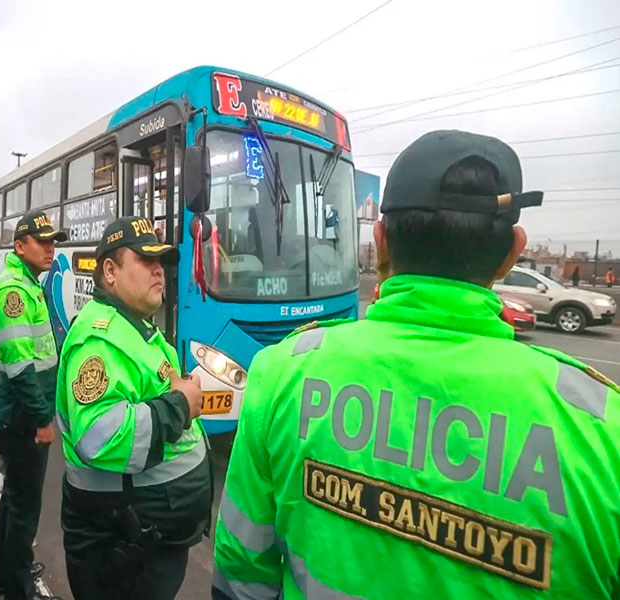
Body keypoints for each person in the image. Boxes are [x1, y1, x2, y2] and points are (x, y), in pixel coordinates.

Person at [212, 130, 620, 599]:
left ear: (381, 242)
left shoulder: (281, 373)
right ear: (512, 253)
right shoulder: (602, 430)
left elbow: (241, 572)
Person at [57, 216, 212, 600]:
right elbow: (99, 438)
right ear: (110, 271)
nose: (159, 270)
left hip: (145, 542)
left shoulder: (137, 328)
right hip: (121, 551)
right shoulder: (99, 342)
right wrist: (180, 404)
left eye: (161, 261)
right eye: (145, 260)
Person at [0, 210, 65, 600]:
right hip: (21, 417)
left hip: (20, 414)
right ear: (20, 246)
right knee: (25, 508)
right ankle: (19, 588)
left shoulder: (29, 283)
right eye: (43, 241)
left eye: (53, 241)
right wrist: (42, 419)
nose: (51, 248)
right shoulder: (13, 292)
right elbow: (20, 369)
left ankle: (6, 575)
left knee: (15, 500)